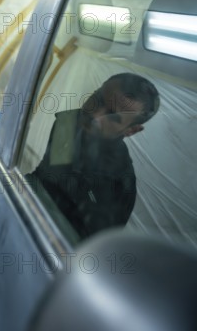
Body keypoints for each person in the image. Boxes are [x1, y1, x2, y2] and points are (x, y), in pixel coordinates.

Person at [30, 73, 160, 239]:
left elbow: (85, 247)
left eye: (112, 116)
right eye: (97, 99)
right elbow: (43, 175)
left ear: (131, 130)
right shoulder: (68, 122)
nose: (95, 115)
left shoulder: (117, 185)